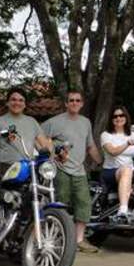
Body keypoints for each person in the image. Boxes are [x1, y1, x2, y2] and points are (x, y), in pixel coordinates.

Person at [42, 91, 103, 253]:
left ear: (82, 104)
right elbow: (40, 139)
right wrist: (54, 151)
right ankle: (58, 239)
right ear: (66, 103)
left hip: (80, 170)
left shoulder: (86, 122)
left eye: (78, 100)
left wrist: (101, 162)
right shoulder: (54, 122)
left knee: (84, 204)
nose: (74, 103)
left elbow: (91, 146)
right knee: (61, 205)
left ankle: (79, 240)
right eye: (71, 100)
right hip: (60, 169)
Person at [0, 87, 53, 176]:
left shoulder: (32, 121)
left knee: (35, 189)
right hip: (8, 167)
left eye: (21, 100)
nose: (17, 103)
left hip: (28, 167)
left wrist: (54, 150)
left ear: (24, 104)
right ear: (7, 103)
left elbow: (44, 144)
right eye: (13, 100)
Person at [100, 106, 134, 222]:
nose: (118, 118)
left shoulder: (133, 134)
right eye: (115, 116)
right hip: (111, 171)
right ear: (111, 119)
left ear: (126, 117)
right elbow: (112, 151)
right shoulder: (106, 135)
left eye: (121, 115)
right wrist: (127, 143)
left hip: (130, 172)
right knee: (126, 169)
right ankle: (123, 210)